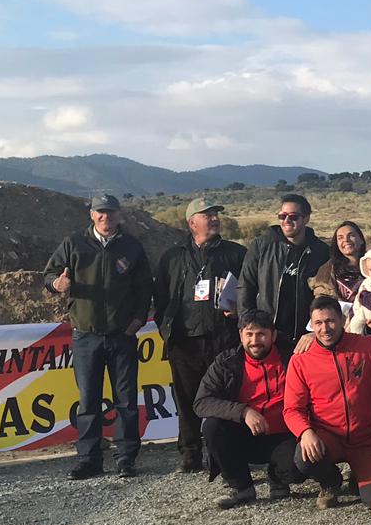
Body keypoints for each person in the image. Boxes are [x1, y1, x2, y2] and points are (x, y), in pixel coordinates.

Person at [42, 193, 153, 480]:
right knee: (88, 400)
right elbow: (49, 274)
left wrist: (138, 320)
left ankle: (126, 457)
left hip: (122, 336)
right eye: (101, 213)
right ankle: (89, 460)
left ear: (119, 215)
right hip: (86, 336)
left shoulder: (131, 246)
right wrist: (57, 283)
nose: (106, 218)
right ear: (92, 215)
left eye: (111, 213)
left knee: (126, 400)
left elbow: (144, 288)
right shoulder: (74, 243)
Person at [153, 197, 246, 473]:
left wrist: (239, 311)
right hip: (185, 341)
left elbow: (249, 290)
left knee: (226, 396)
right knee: (186, 398)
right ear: (192, 222)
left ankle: (226, 453)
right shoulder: (172, 256)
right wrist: (165, 329)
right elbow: (160, 298)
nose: (215, 218)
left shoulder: (235, 253)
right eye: (208, 215)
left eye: (216, 214)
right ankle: (190, 453)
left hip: (224, 339)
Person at [284, 296, 371, 509]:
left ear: (342, 319)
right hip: (329, 436)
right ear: (312, 325)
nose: (325, 328)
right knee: (303, 457)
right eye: (318, 323)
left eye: (330, 321)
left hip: (366, 440)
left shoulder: (365, 345)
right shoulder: (301, 359)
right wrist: (305, 432)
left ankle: (359, 475)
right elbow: (292, 409)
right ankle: (331, 482)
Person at [194, 312, 297, 508]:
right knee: (212, 427)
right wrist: (243, 411)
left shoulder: (292, 356)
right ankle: (241, 487)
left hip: (284, 434)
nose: (254, 341)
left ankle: (278, 477)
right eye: (249, 334)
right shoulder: (226, 362)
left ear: (273, 336)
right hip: (244, 435)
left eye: (261, 334)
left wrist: (309, 337)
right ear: (241, 335)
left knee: (297, 469)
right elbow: (201, 402)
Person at [238, 192, 330, 349]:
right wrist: (248, 325)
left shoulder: (320, 251)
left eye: (293, 216)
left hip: (305, 336)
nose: (286, 221)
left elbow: (326, 294)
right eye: (282, 216)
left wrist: (314, 329)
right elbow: (246, 286)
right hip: (266, 332)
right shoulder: (262, 245)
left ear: (306, 218)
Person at [310, 221, 367, 312]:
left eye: (351, 235)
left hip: (369, 322)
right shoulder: (326, 270)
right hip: (337, 322)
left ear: (361, 240)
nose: (346, 240)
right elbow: (321, 303)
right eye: (340, 238)